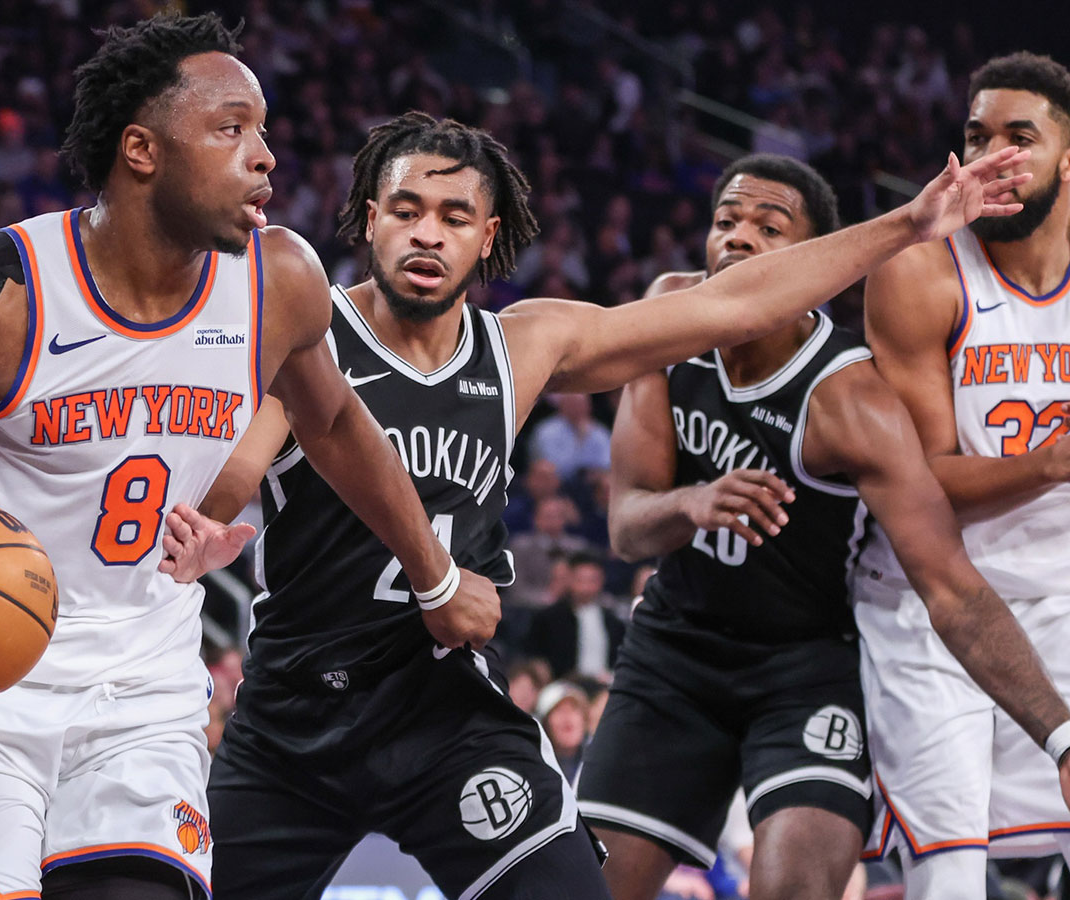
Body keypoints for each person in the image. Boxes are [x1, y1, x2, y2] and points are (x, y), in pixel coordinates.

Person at [175, 111, 1032, 899]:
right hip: (295, 723)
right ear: (367, 218)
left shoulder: (525, 344)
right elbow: (237, 473)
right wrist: (209, 520)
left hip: (446, 717)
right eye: (405, 209)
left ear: (488, 237)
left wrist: (909, 226)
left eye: (453, 215)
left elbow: (729, 301)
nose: (427, 233)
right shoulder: (312, 340)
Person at [0, 15, 501, 900]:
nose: (266, 156)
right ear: (142, 149)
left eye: (266, 131)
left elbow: (338, 427)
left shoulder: (277, 279)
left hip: (141, 688)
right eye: (232, 128)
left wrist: (434, 576)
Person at [582, 152, 1070, 900]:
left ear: (816, 261)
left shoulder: (854, 403)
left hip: (804, 668)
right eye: (725, 221)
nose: (737, 238)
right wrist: (691, 503)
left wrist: (1060, 737)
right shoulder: (667, 314)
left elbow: (952, 589)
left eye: (768, 227)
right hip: (672, 657)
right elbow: (627, 525)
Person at [856, 52, 1070, 897]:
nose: (995, 157)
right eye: (979, 137)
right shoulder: (919, 270)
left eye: (1022, 137)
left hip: (1059, 593)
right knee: (950, 877)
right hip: (935, 602)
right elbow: (923, 479)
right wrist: (1053, 459)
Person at [522, 552, 625, 679]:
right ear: (569, 579)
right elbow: (532, 655)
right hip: (562, 684)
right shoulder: (548, 618)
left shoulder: (613, 622)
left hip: (605, 684)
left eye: (592, 580)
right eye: (580, 580)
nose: (586, 588)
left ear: (602, 580)